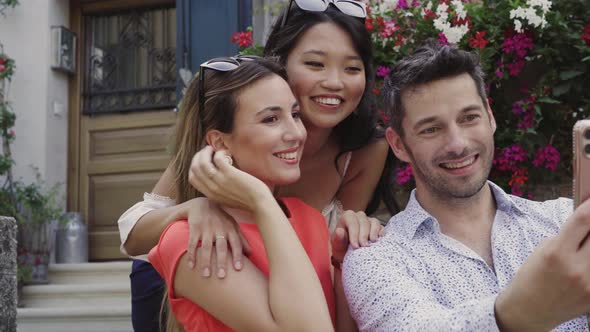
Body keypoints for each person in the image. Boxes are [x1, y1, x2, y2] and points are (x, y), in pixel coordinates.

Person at [118, 1, 395, 331]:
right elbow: (134, 233)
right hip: (192, 272)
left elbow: (336, 260)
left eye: (352, 68)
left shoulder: (364, 149)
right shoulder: (227, 131)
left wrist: (349, 242)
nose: (334, 82)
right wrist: (194, 207)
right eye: (315, 64)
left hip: (294, 289)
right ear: (279, 64)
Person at [342, 41, 590, 331]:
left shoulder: (565, 222)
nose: (458, 144)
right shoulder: (374, 260)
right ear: (398, 144)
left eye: (469, 118)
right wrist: (520, 311)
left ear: (490, 117)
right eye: (431, 129)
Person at [148, 55, 339, 331]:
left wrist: (348, 261)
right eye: (271, 119)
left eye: (295, 115)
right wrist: (262, 201)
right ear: (220, 141)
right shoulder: (191, 239)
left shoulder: (308, 218)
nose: (296, 133)